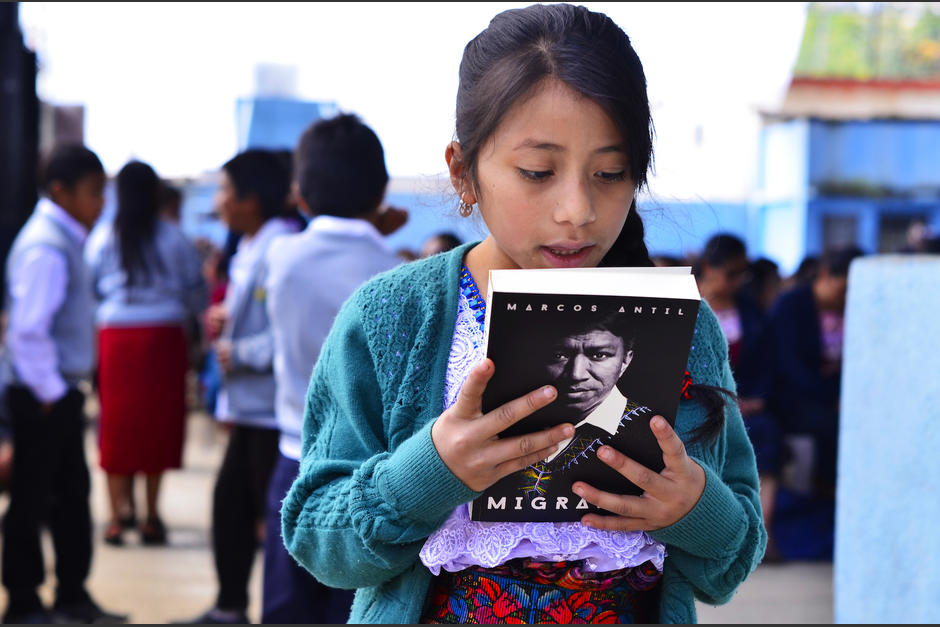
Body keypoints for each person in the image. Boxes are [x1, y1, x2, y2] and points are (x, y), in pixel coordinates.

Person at [281, 4, 765, 624]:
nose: (577, 210)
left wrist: (695, 508)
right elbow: (320, 541)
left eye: (610, 173)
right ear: (464, 172)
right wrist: (431, 471)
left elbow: (730, 564)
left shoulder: (682, 328)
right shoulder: (392, 318)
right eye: (538, 172)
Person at [260, 113, 403, 624]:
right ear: (381, 191)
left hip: (292, 452)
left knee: (285, 607)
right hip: (370, 469)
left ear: (299, 193)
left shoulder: (278, 256)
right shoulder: (396, 274)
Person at [0, 144, 126, 623]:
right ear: (60, 192)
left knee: (71, 495)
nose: (100, 204)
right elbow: (28, 331)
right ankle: (24, 601)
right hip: (42, 395)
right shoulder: (46, 247)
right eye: (94, 193)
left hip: (56, 392)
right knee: (32, 500)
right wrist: (53, 393)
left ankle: (72, 595)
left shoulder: (63, 239)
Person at [180, 149, 298, 624]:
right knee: (231, 506)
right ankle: (230, 606)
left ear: (252, 198)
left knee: (266, 519)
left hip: (272, 408)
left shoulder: (282, 245)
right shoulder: (251, 244)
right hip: (249, 405)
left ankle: (250, 608)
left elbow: (296, 328)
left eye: (226, 189)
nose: (220, 200)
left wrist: (243, 351)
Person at [86, 160, 209, 547]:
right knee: (158, 425)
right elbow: (196, 292)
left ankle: (116, 516)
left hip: (116, 339)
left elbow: (89, 291)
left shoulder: (103, 237)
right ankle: (152, 516)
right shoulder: (173, 237)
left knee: (116, 426)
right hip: (163, 339)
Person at [765, 244, 864, 562]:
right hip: (795, 398)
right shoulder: (793, 305)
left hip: (837, 398)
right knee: (833, 429)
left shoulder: (856, 309)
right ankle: (828, 500)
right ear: (824, 275)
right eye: (843, 288)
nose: (846, 297)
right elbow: (790, 366)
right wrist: (833, 399)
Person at [694, 233, 779, 559]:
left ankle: (761, 535)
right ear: (709, 269)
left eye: (741, 275)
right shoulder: (684, 301)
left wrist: (753, 399)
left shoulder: (749, 309)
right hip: (694, 401)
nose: (737, 282)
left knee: (767, 435)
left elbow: (766, 361)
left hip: (744, 405)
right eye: (731, 274)